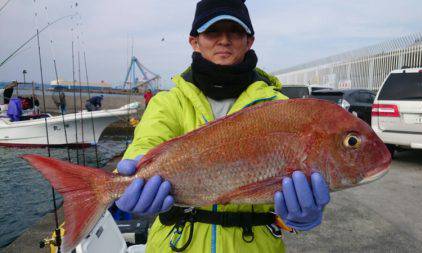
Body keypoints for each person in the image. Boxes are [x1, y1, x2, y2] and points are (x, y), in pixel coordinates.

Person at [115, 1, 331, 252]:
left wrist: (300, 219)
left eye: (235, 32)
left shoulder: (280, 108)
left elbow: (281, 206)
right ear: (194, 41)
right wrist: (129, 179)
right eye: (213, 32)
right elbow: (146, 145)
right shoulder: (168, 102)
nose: (224, 40)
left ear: (249, 41)